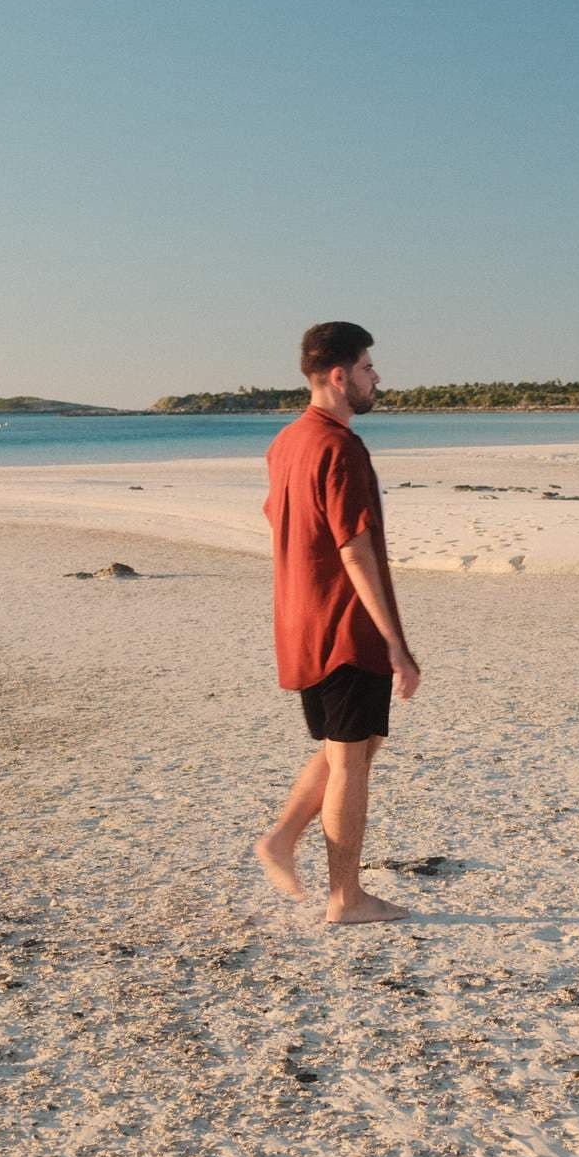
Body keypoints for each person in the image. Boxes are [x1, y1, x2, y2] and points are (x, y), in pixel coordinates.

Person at [252, 321, 422, 925]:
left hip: (300, 620)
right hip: (344, 626)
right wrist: (396, 643)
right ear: (339, 375)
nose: (377, 378)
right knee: (351, 761)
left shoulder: (286, 442)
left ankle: (280, 841)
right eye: (368, 368)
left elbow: (284, 522)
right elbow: (354, 549)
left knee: (357, 743)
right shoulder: (340, 447)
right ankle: (346, 898)